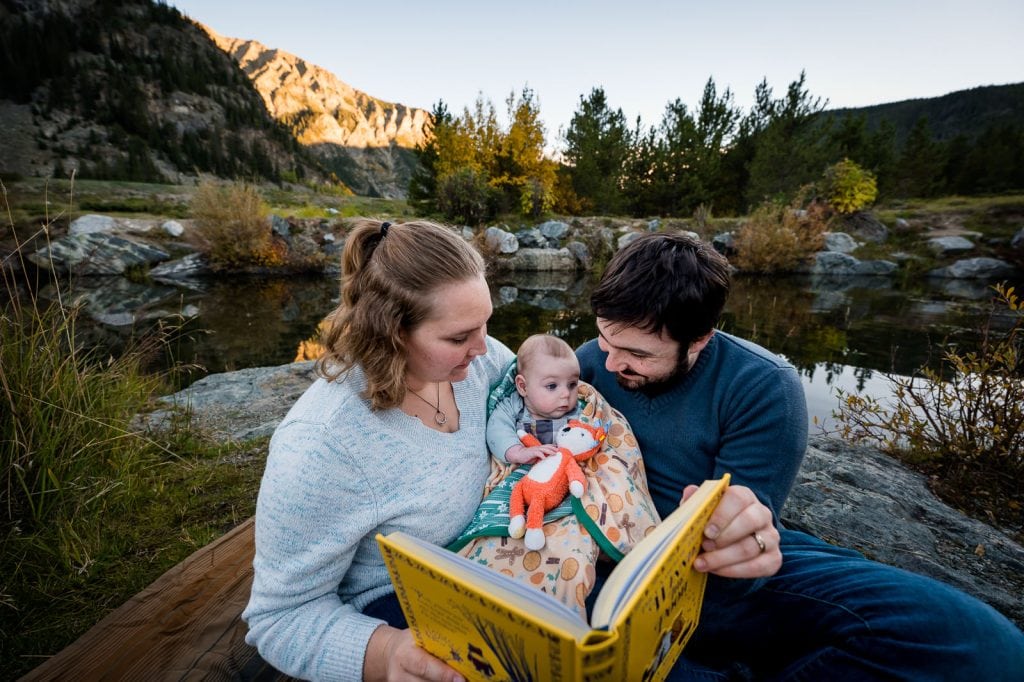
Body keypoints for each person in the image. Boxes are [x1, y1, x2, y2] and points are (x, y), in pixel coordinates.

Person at [576, 231, 1024, 680]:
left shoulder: (761, 384)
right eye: (605, 339)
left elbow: (748, 536)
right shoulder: (590, 362)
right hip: (603, 558)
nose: (612, 364)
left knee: (982, 644)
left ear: (699, 339)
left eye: (637, 353)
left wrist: (743, 541)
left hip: (719, 572)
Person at [242, 218, 511, 682]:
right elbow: (280, 618)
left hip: (495, 573)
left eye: (485, 323)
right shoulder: (322, 446)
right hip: (395, 611)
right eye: (458, 337)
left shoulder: (483, 363)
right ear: (391, 331)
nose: (483, 347)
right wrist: (386, 654)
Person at [485, 333, 581, 464]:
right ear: (523, 387)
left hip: (568, 468)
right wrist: (518, 452)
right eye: (552, 386)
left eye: (572, 384)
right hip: (529, 472)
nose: (566, 393)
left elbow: (595, 430)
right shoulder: (512, 406)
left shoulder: (580, 410)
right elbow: (497, 432)